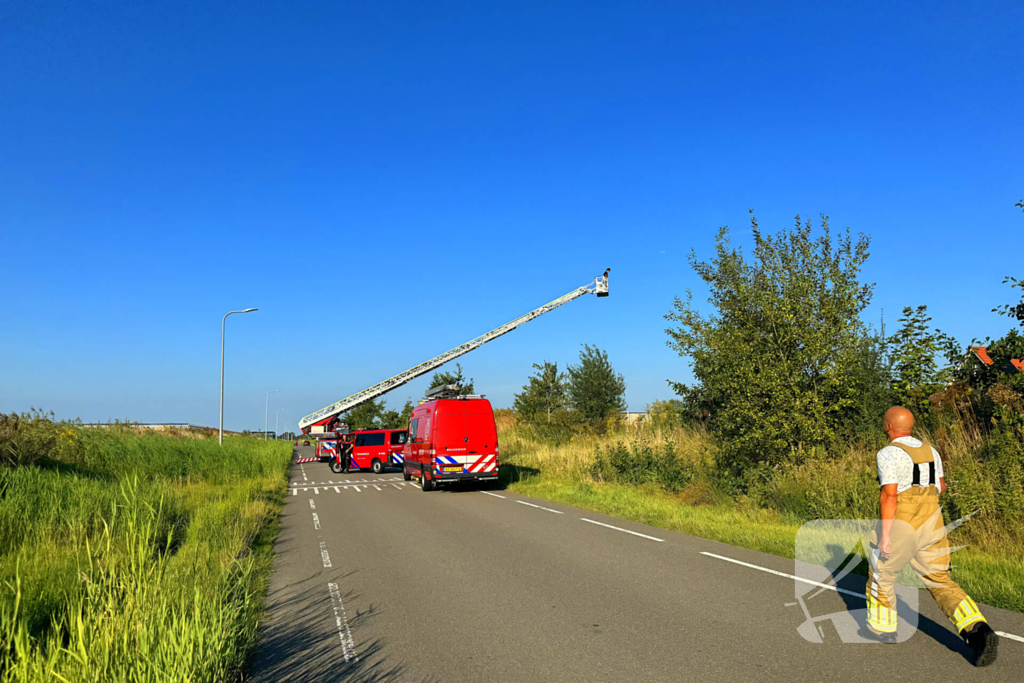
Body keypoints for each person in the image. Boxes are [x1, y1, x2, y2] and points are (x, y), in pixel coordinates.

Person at [864, 406, 998, 666]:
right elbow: (941, 486)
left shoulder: (888, 453)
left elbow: (889, 495)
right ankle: (977, 629)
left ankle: (883, 628)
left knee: (882, 574)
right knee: (940, 580)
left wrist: (886, 536)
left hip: (903, 521)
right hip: (933, 521)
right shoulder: (932, 451)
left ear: (889, 426)